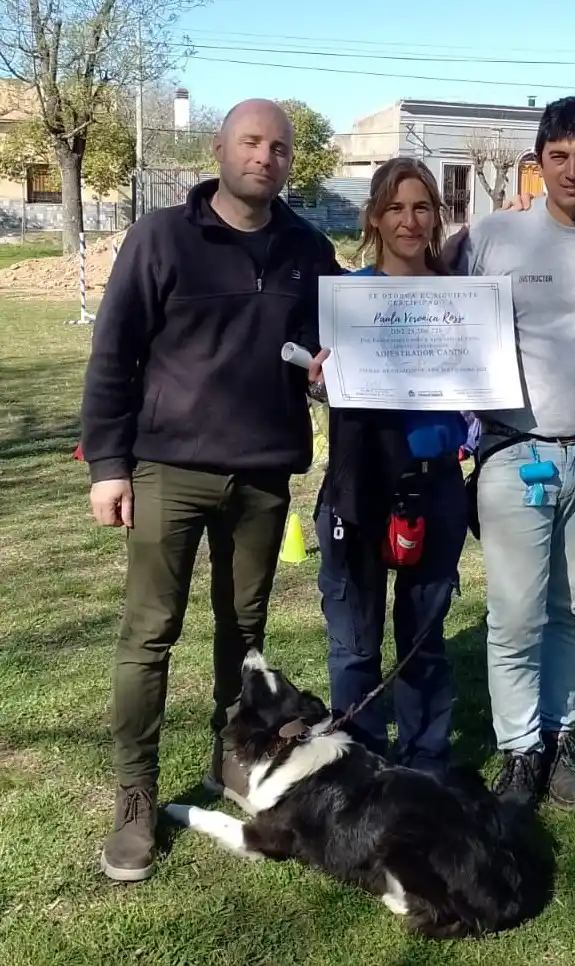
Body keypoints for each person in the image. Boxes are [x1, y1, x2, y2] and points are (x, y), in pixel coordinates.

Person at [80, 98, 343, 882]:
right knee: (149, 634)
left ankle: (231, 759)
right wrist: (108, 465)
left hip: (263, 474)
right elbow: (113, 353)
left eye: (280, 147)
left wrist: (330, 375)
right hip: (168, 468)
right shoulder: (161, 237)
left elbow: (338, 351)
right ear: (220, 150)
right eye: (251, 142)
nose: (265, 157)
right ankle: (135, 797)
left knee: (245, 631)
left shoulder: (309, 250)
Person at [451, 94, 575, 812]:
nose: (572, 170)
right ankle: (518, 751)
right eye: (558, 156)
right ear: (538, 163)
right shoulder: (493, 235)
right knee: (514, 614)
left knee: (573, 609)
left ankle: (560, 740)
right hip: (514, 454)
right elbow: (433, 308)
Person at [309, 158, 469, 779]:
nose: (409, 220)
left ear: (436, 216)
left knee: (424, 640)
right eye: (395, 208)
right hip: (360, 485)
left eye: (421, 207)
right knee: (355, 643)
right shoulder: (347, 298)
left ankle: (425, 762)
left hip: (435, 484)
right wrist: (319, 381)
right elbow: (321, 383)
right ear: (374, 217)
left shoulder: (461, 298)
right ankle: (360, 766)